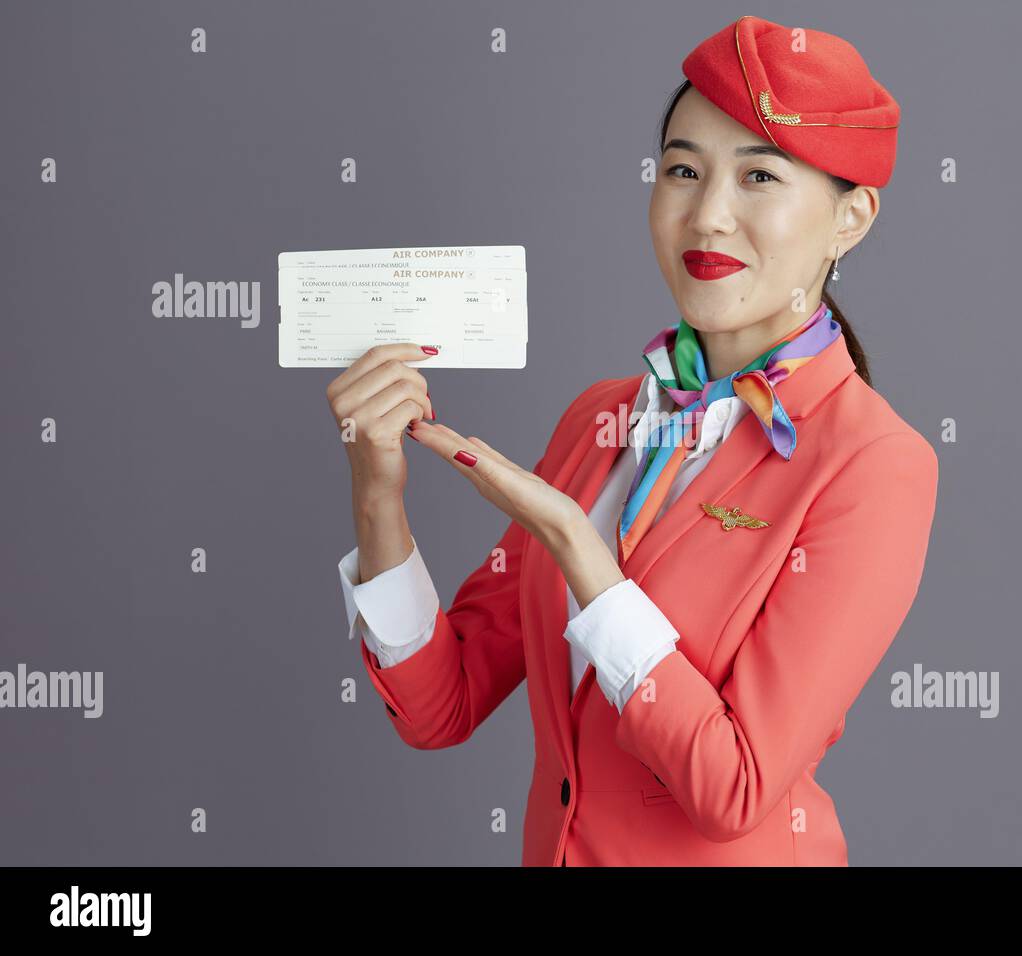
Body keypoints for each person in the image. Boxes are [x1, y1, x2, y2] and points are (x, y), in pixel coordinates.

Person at [326, 15, 938, 866]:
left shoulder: (876, 466)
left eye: (759, 176)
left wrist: (584, 552)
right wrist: (376, 491)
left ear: (852, 218)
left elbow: (734, 788)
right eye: (683, 170)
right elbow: (444, 705)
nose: (709, 216)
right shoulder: (597, 421)